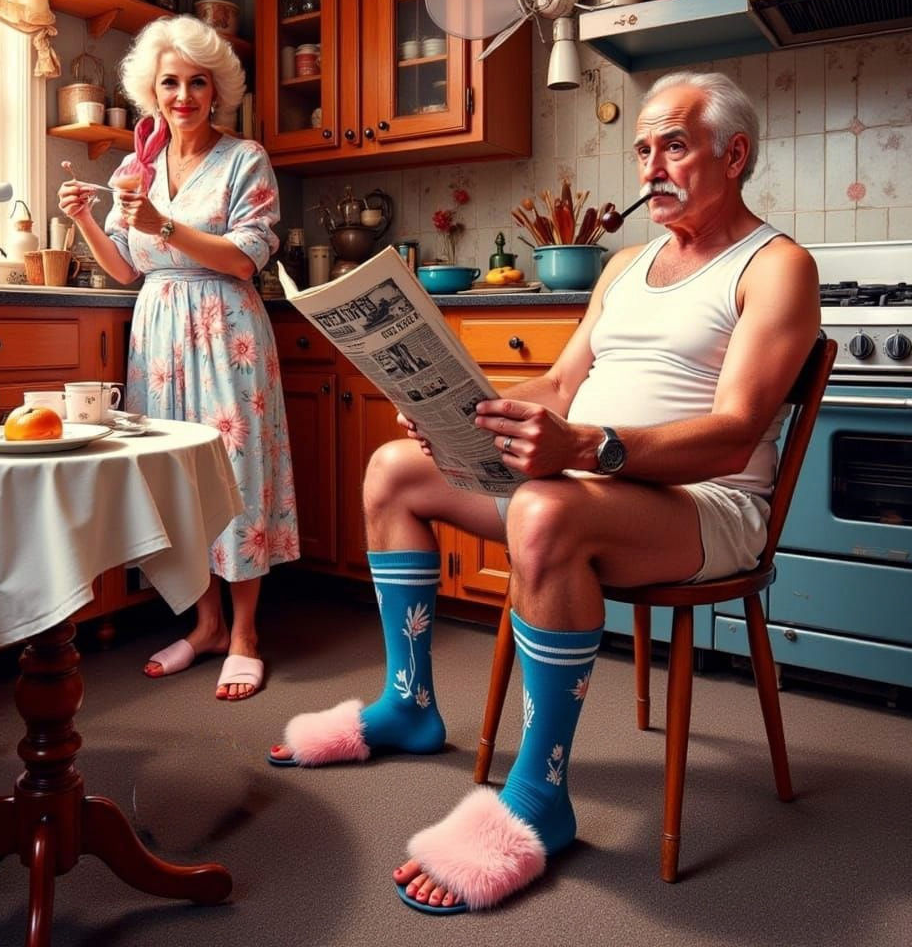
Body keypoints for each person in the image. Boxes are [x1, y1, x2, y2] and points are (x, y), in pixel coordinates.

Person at [267, 70, 821, 911]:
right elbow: (560, 387)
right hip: (584, 480)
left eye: (673, 144)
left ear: (734, 153)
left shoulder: (778, 267)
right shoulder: (627, 266)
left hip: (707, 509)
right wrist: (463, 413)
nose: (650, 167)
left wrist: (589, 449)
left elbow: (737, 430)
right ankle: (408, 704)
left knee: (547, 506)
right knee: (393, 469)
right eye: (642, 149)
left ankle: (540, 794)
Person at [57, 16, 299, 702]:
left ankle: (246, 632)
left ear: (217, 89)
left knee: (236, 471)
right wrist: (83, 220)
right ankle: (207, 624)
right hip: (157, 332)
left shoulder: (244, 157)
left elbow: (248, 255)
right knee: (176, 480)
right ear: (151, 91)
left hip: (227, 328)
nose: (184, 95)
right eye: (171, 82)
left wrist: (162, 223)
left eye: (198, 82)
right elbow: (127, 270)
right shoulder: (134, 166)